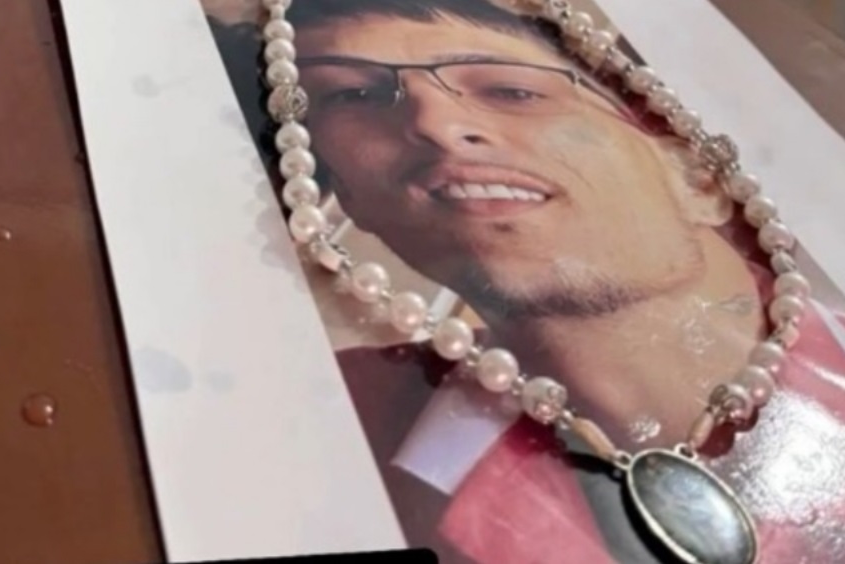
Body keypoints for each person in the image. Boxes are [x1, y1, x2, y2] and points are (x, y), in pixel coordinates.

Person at [208, 0, 845, 562]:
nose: (436, 125)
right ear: (352, 200)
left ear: (698, 179)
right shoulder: (318, 422)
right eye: (355, 97)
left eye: (512, 91)